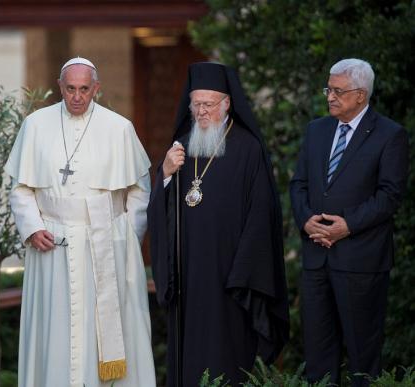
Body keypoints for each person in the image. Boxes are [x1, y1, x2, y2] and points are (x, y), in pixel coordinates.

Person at [4, 57, 156, 387]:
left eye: (84, 89)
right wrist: (32, 228)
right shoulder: (35, 125)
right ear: (60, 88)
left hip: (106, 241)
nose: (77, 96)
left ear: (96, 89)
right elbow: (20, 187)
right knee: (56, 328)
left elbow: (140, 190)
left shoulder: (119, 128)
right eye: (70, 89)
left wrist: (126, 235)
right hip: (52, 242)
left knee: (101, 328)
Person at [147, 62, 289, 386]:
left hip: (230, 281)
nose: (201, 112)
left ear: (226, 103)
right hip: (189, 280)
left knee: (227, 362)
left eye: (208, 104)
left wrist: (242, 275)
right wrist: (166, 175)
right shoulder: (181, 147)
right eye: (195, 104)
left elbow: (261, 217)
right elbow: (161, 212)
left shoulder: (248, 149)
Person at [290, 58, 409, 386]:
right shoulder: (316, 130)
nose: (330, 96)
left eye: (338, 91)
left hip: (361, 261)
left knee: (362, 359)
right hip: (317, 260)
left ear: (361, 95)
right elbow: (298, 184)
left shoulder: (389, 134)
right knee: (317, 357)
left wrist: (348, 226)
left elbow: (389, 196)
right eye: (328, 89)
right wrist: (306, 221)